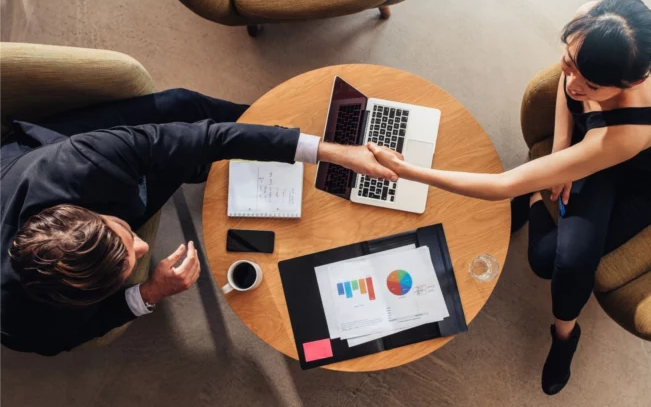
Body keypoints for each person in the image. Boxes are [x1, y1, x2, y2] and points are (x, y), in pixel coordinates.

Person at [369, 0, 651, 395]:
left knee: (555, 261)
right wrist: (561, 152)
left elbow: (504, 185)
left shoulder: (630, 132)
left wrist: (405, 171)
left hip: (646, 180)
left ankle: (565, 336)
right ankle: (538, 201)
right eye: (569, 63)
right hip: (591, 151)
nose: (573, 84)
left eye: (592, 85)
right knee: (550, 257)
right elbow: (568, 86)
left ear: (634, 81)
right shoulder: (589, 21)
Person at [1, 88, 398, 356]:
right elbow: (80, 331)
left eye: (126, 237)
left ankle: (273, 129)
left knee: (185, 106)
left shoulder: (83, 159)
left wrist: (332, 152)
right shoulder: (24, 326)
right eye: (129, 264)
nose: (144, 246)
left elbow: (206, 137)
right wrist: (149, 292)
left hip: (31, 158)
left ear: (86, 211)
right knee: (186, 164)